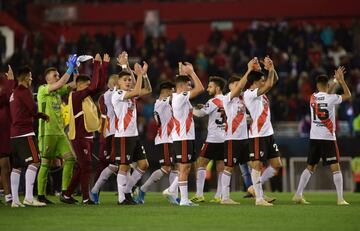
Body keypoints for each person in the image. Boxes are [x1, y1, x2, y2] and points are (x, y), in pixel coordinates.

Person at [293, 66, 351, 205]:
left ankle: (298, 194)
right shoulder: (331, 98)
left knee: (310, 167)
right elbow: (348, 95)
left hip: (314, 138)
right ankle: (340, 199)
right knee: (335, 167)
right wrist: (341, 81)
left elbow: (326, 92)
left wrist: (335, 81)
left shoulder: (312, 97)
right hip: (327, 138)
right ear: (328, 84)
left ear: (317, 85)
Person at [60, 53, 108, 205]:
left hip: (87, 135)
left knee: (83, 167)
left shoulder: (85, 96)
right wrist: (95, 64)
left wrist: (102, 65)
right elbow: (94, 86)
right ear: (79, 85)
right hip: (79, 137)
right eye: (86, 85)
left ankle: (67, 195)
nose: (89, 88)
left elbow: (99, 86)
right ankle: (86, 197)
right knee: (86, 166)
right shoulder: (75, 96)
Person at [36, 55, 78, 204]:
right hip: (47, 133)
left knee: (71, 158)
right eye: (55, 75)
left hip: (60, 133)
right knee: (46, 164)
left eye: (58, 75)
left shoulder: (58, 92)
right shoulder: (42, 90)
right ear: (48, 78)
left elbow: (74, 84)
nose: (58, 77)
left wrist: (75, 70)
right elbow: (62, 82)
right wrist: (69, 69)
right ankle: (41, 195)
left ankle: (65, 193)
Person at [163, 62, 204, 206]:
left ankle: (173, 190)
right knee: (184, 168)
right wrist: (192, 72)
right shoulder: (180, 97)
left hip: (186, 137)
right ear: (181, 87)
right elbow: (200, 88)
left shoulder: (179, 97)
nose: (190, 87)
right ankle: (183, 199)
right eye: (188, 85)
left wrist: (183, 72)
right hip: (182, 137)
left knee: (186, 167)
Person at [111, 55, 151, 205]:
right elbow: (136, 91)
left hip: (134, 135)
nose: (128, 82)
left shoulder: (128, 93)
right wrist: (137, 74)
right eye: (125, 80)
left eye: (129, 80)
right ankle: (122, 198)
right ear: (118, 83)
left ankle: (127, 190)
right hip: (123, 136)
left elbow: (147, 89)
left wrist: (144, 75)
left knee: (143, 164)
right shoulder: (118, 94)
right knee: (124, 166)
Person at [243, 56, 282, 206]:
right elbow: (270, 84)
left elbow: (274, 80)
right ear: (255, 82)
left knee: (277, 164)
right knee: (257, 165)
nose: (264, 81)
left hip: (268, 134)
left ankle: (254, 187)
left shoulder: (261, 93)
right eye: (262, 80)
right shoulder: (249, 93)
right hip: (257, 134)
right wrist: (270, 69)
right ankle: (259, 198)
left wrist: (272, 68)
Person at [9, 66, 49, 207]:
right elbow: (32, 109)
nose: (32, 78)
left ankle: (15, 200)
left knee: (17, 167)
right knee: (35, 162)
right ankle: (29, 197)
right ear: (26, 77)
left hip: (13, 135)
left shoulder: (14, 93)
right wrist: (41, 113)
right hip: (24, 133)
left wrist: (40, 115)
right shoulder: (24, 91)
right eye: (30, 76)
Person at [219, 59, 255, 204]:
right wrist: (249, 70)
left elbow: (245, 117)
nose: (240, 86)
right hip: (232, 139)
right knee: (229, 167)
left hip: (244, 139)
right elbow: (241, 85)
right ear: (231, 86)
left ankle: (258, 194)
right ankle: (225, 197)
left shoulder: (242, 100)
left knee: (254, 164)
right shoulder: (226, 98)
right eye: (236, 84)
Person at [135, 81, 177, 204]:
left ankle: (173, 194)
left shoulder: (162, 103)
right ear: (167, 91)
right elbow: (174, 98)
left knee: (176, 167)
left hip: (169, 139)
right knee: (166, 168)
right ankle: (142, 190)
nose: (174, 93)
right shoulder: (161, 102)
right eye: (172, 91)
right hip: (165, 140)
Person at [190, 76, 227, 203]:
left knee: (200, 163)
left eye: (210, 86)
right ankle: (218, 195)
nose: (207, 89)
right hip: (225, 137)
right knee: (220, 166)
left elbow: (200, 114)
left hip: (213, 138)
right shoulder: (227, 99)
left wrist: (189, 108)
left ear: (217, 88)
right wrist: (205, 106)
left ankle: (199, 194)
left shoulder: (213, 101)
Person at [0, 65, 15, 204]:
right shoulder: (4, 94)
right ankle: (8, 196)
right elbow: (5, 96)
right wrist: (10, 81)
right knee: (5, 166)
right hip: (2, 134)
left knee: (8, 166)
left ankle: (7, 194)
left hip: (7, 133)